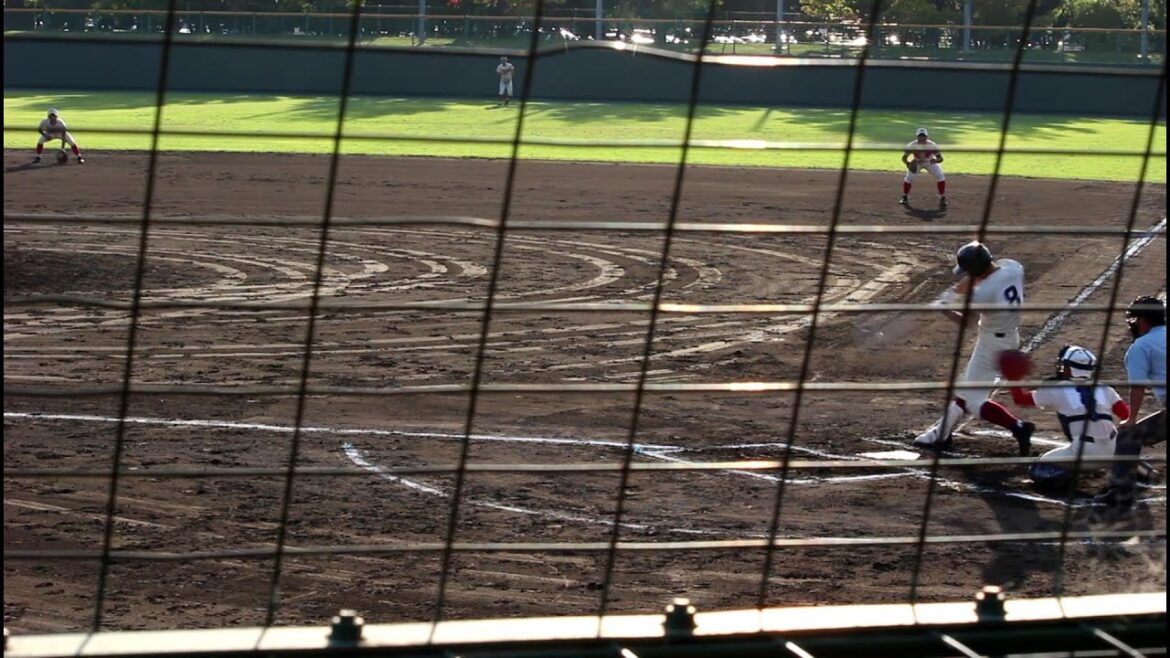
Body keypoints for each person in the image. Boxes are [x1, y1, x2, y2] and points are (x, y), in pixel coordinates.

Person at [913, 241, 1035, 455]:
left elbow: (969, 322)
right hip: (1009, 337)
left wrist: (945, 309)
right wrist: (952, 292)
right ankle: (941, 434)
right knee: (966, 387)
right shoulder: (1013, 267)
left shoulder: (983, 294)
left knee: (974, 401)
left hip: (992, 344)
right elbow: (978, 277)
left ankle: (1018, 427)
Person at [1007, 345, 1130, 491]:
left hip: (1083, 455)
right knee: (1123, 450)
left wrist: (1012, 378)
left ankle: (1065, 479)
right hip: (1115, 452)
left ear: (1069, 369)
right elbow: (1127, 416)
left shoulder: (1056, 388)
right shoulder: (1106, 389)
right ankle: (1136, 469)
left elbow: (1020, 399)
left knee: (1040, 466)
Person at [1095, 295, 1166, 508]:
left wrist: (1131, 418)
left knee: (1127, 437)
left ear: (1142, 320)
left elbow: (1137, 387)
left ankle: (1121, 493)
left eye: (1135, 318)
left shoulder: (1141, 347)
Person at [900, 127, 945, 209]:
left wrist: (935, 161)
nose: (922, 138)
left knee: (940, 176)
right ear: (917, 137)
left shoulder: (932, 145)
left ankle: (942, 197)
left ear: (927, 137)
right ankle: (905, 197)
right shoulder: (912, 145)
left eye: (923, 136)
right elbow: (904, 158)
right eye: (920, 136)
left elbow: (941, 159)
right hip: (917, 162)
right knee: (908, 178)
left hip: (929, 162)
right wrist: (908, 164)